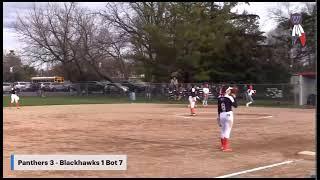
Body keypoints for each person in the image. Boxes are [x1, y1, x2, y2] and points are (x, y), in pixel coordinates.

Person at [217, 86, 238, 152]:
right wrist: (234, 97)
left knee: (223, 130)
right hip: (228, 115)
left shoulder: (219, 98)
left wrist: (218, 117)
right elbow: (236, 105)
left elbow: (219, 109)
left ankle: (223, 146)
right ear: (227, 91)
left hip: (221, 114)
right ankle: (225, 147)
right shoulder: (229, 97)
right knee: (227, 131)